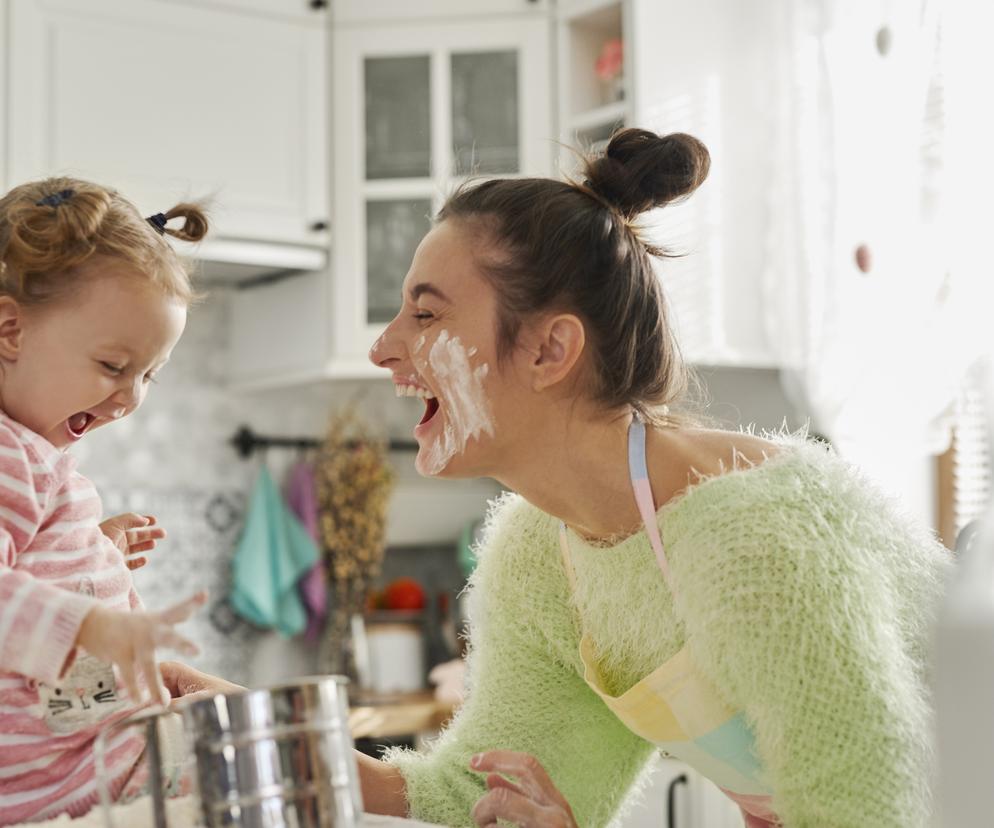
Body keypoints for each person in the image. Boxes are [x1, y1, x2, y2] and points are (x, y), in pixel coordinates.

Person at [163, 129, 952, 827]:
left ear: (549, 350)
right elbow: (473, 788)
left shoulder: (755, 540)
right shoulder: (543, 553)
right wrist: (247, 724)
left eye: (426, 315)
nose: (384, 348)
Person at [0, 178, 209, 824]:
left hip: (87, 764)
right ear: (9, 329)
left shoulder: (33, 454)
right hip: (62, 780)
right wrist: (90, 624)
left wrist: (93, 552)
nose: (132, 397)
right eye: (114, 366)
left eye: (150, 374)